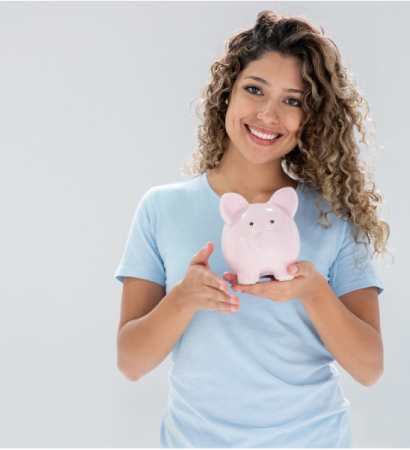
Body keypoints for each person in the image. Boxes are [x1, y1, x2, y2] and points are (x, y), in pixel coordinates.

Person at [114, 10, 392, 448]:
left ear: (311, 117)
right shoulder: (162, 209)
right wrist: (183, 299)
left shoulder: (332, 215)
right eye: (254, 89)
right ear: (228, 94)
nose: (268, 114)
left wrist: (313, 290)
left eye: (293, 100)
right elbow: (130, 362)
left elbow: (369, 367)